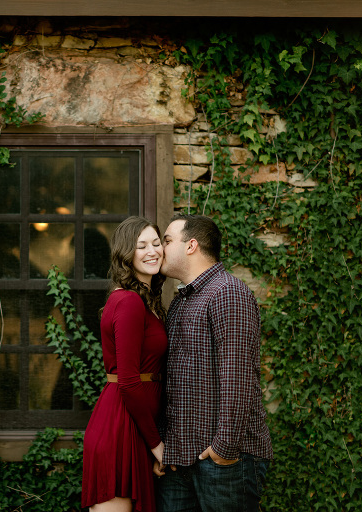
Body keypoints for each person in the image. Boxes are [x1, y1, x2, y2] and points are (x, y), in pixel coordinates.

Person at [156, 214, 273, 512]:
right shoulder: (183, 300)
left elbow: (239, 376)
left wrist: (224, 449)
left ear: (191, 245)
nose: (160, 248)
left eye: (168, 241)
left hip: (223, 463)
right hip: (180, 459)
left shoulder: (227, 292)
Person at [82, 216, 169, 512]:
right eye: (141, 246)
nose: (152, 251)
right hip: (121, 428)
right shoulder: (130, 302)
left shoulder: (145, 300)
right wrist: (157, 446)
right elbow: (130, 380)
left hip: (135, 426)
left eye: (157, 243)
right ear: (125, 255)